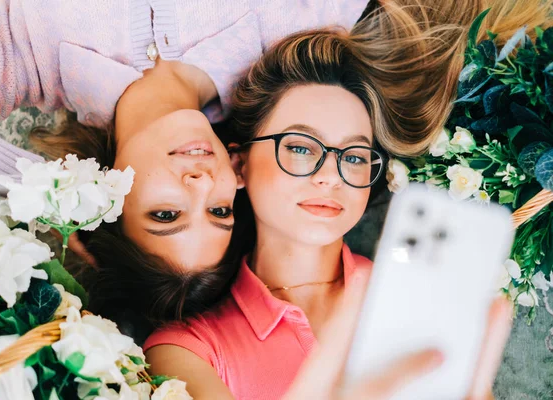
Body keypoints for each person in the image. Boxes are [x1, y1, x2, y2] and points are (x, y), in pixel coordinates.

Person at [141, 29, 517, 399]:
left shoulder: (422, 298)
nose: (330, 176)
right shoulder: (185, 352)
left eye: (353, 157)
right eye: (301, 148)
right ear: (239, 165)